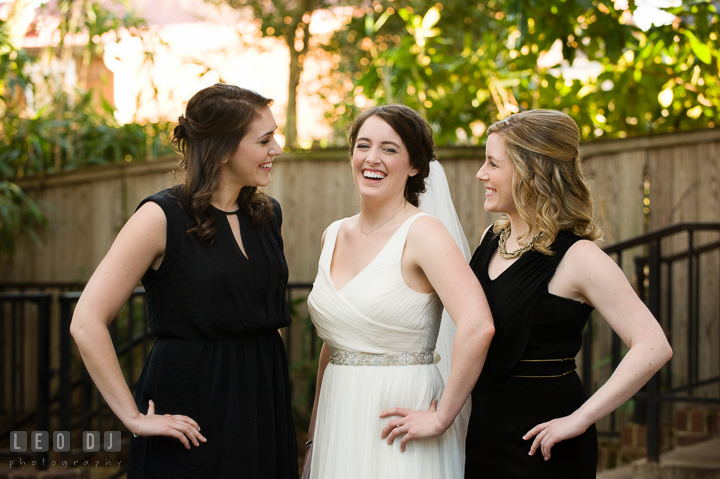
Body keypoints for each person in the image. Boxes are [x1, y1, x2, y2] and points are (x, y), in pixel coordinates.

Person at [70, 83, 299, 478]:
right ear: (224, 149)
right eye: (265, 140)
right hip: (193, 402)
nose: (276, 148)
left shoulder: (267, 215)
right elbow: (86, 321)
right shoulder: (160, 217)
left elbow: (258, 313)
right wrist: (134, 417)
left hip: (261, 396)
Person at [465, 109, 673, 478]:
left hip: (545, 443)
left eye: (493, 164)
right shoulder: (489, 240)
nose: (481, 173)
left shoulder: (580, 257)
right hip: (482, 430)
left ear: (532, 173)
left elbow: (653, 346)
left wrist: (580, 419)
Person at [302, 104, 495, 478]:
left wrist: (441, 417)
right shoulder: (332, 234)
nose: (372, 158)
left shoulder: (424, 233)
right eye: (363, 145)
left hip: (401, 420)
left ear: (415, 166)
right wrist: (314, 439)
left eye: (389, 149)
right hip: (337, 418)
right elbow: (334, 343)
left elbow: (478, 324)